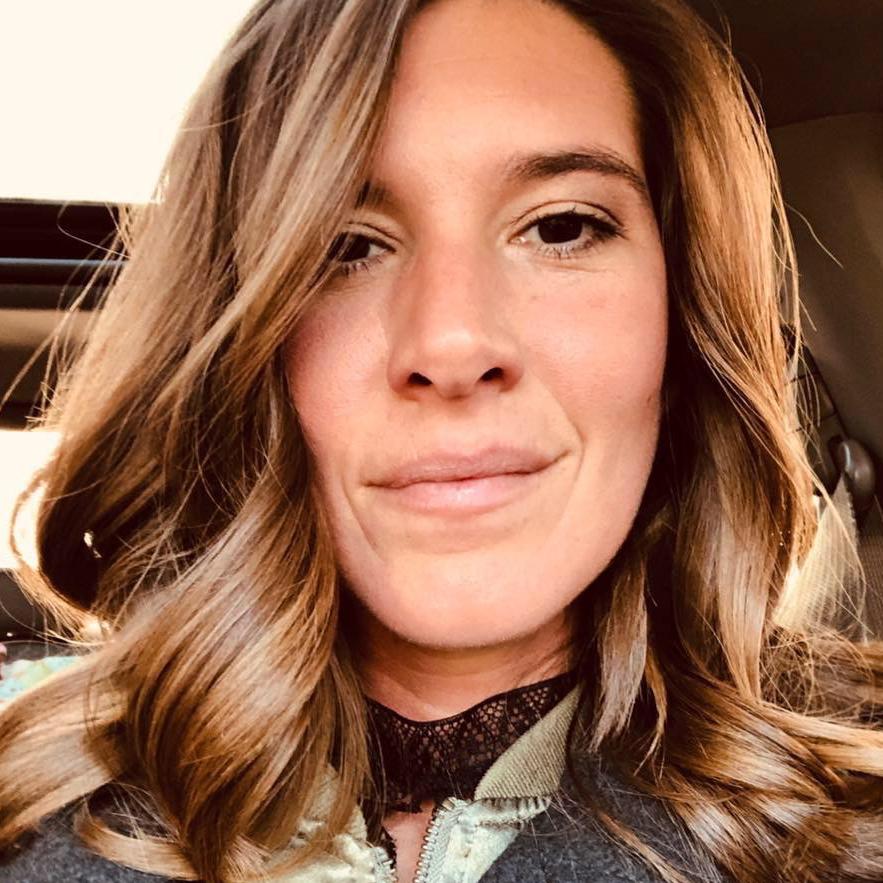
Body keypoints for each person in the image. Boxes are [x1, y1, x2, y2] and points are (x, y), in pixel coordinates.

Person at [2, 0, 883, 881]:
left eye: (561, 226)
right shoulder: (35, 819)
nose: (453, 343)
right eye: (344, 244)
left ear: (679, 315)